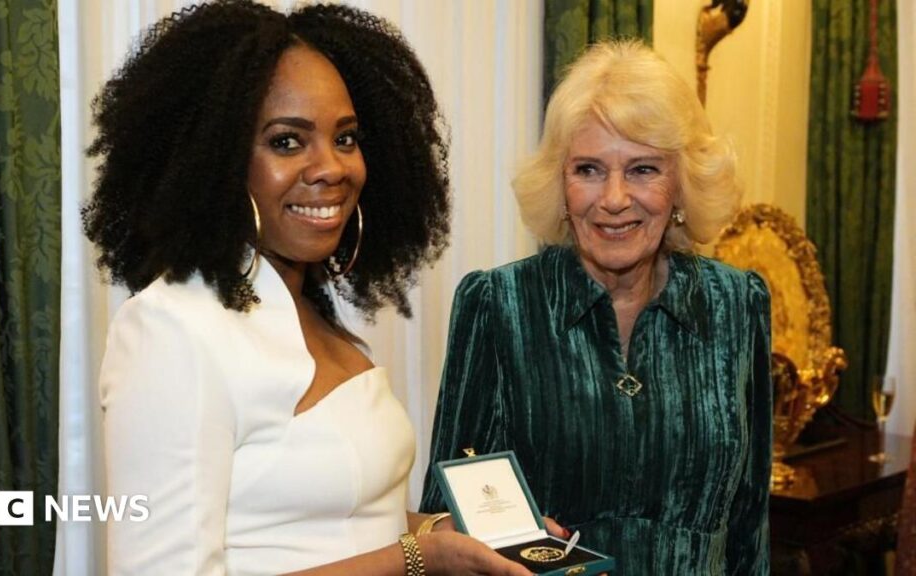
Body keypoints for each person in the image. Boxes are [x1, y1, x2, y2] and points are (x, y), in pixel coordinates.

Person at [83, 1, 542, 574]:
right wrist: (416, 558)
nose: (332, 167)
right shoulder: (172, 328)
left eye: (345, 138)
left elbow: (332, 519)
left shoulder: (310, 313)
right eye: (286, 141)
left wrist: (450, 531)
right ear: (216, 158)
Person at [421, 40, 772, 574]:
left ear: (681, 184)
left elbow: (751, 522)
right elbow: (443, 521)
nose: (612, 198)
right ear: (559, 184)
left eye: (642, 170)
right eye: (587, 169)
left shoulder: (736, 305)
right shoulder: (497, 306)